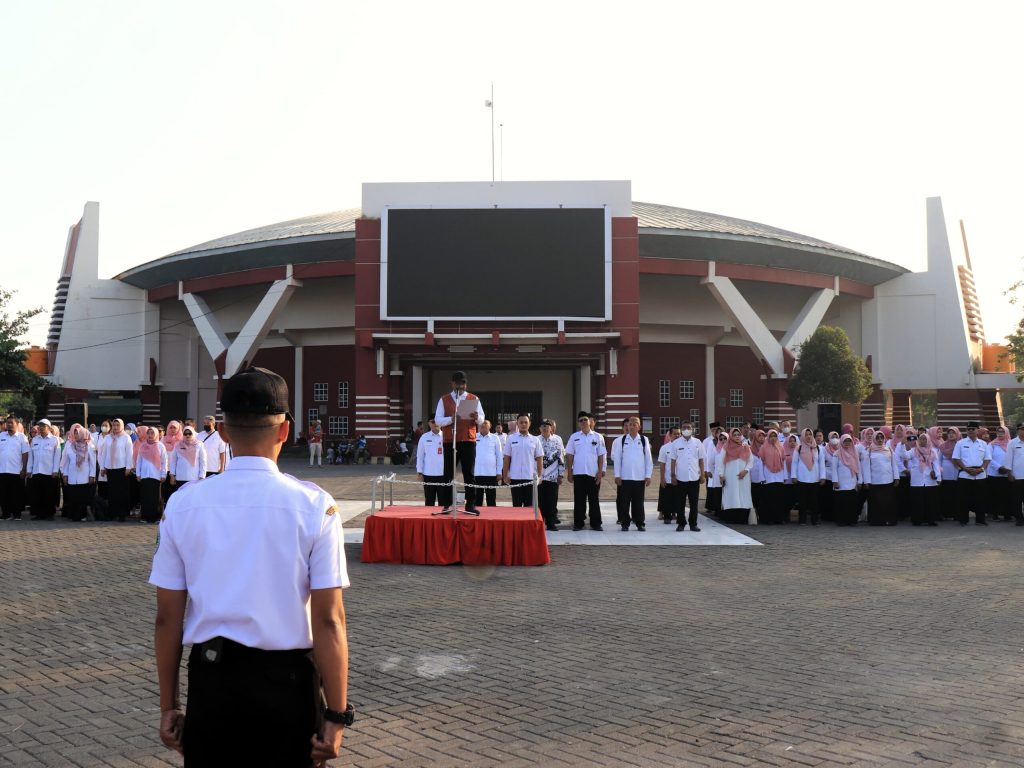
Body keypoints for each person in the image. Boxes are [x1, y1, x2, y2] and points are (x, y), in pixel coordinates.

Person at [149, 366, 351, 766]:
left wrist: (168, 706)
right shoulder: (315, 506)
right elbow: (329, 622)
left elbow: (167, 620)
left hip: (213, 682)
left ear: (222, 432)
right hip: (288, 685)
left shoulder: (184, 504)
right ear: (285, 431)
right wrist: (336, 715)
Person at [434, 371, 483, 514]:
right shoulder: (444, 399)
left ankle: (470, 504)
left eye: (463, 383)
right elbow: (438, 420)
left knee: (469, 473)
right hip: (450, 440)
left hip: (468, 439)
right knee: (448, 473)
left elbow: (482, 419)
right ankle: (446, 504)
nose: (461, 386)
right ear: (453, 383)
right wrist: (451, 419)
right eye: (458, 383)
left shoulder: (473, 398)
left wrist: (476, 417)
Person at [565, 411, 606, 531]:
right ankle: (578, 523)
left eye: (585, 420)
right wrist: (569, 472)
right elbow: (570, 455)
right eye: (581, 420)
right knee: (579, 500)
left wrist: (600, 472)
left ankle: (596, 523)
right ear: (578, 424)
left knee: (594, 500)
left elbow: (601, 455)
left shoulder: (598, 437)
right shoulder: (574, 437)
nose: (583, 422)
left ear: (590, 421)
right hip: (578, 473)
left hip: (593, 473)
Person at [610, 416, 653, 531]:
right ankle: (625, 523)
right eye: (630, 424)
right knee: (624, 502)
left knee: (638, 502)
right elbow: (618, 459)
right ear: (627, 426)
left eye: (635, 424)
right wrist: (617, 475)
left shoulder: (644, 440)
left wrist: (648, 475)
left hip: (640, 477)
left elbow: (648, 459)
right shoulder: (622, 440)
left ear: (639, 427)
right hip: (625, 477)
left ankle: (640, 523)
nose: (632, 426)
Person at [668, 421, 706, 532]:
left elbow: (701, 460)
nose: (686, 429)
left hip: (694, 477)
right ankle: (681, 523)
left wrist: (702, 474)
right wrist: (673, 476)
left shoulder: (698, 442)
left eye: (688, 427)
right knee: (680, 503)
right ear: (681, 429)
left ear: (692, 429)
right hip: (681, 477)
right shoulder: (676, 443)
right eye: (684, 427)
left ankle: (693, 524)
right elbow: (673, 460)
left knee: (694, 503)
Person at [952, 421, 992, 525]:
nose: (970, 431)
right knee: (963, 499)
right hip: (965, 474)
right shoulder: (960, 443)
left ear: (977, 430)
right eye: (968, 429)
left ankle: (980, 520)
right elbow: (956, 458)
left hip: (980, 474)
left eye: (973, 429)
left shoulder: (983, 444)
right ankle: (963, 520)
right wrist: (965, 469)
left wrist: (981, 469)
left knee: (981, 499)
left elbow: (987, 459)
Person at [503, 414, 543, 507]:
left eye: (526, 422)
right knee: (516, 506)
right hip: (515, 477)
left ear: (530, 424)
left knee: (529, 507)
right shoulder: (511, 438)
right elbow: (506, 458)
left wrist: (540, 476)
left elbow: (540, 459)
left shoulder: (535, 440)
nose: (523, 424)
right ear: (517, 423)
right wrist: (505, 475)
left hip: (529, 478)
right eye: (521, 422)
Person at [100, 418, 134, 521]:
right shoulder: (108, 438)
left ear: (122, 426)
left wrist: (129, 467)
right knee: (111, 492)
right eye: (114, 425)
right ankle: (112, 513)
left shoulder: (126, 437)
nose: (115, 427)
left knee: (122, 492)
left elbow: (129, 453)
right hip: (110, 468)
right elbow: (104, 453)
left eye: (117, 425)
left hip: (122, 468)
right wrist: (103, 467)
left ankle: (122, 514)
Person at [863, 430, 900, 525]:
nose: (880, 440)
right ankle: (877, 521)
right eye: (877, 438)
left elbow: (894, 464)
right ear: (874, 439)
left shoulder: (889, 449)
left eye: (881, 437)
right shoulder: (869, 450)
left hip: (888, 480)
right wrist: (867, 481)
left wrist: (896, 478)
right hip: (875, 481)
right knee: (876, 503)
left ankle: (889, 520)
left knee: (888, 502)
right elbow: (866, 467)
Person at [60, 424, 96, 522]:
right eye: (75, 433)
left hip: (84, 476)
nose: (75, 435)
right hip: (72, 476)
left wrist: (92, 475)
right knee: (73, 497)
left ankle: (82, 515)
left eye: (78, 433)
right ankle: (73, 515)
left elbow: (93, 462)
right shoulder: (70, 445)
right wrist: (65, 474)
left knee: (82, 498)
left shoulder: (89, 446)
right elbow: (65, 462)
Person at [791, 428, 827, 525]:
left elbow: (821, 463)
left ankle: (814, 520)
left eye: (810, 434)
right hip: (802, 478)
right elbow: (794, 463)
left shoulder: (817, 448)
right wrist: (793, 476)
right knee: (802, 501)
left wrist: (822, 477)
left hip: (814, 478)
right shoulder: (799, 448)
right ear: (803, 436)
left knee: (814, 501)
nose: (808, 436)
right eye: (806, 435)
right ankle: (802, 520)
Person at [905, 432, 942, 526]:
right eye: (921, 439)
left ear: (928, 440)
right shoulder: (913, 451)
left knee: (931, 501)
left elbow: (936, 464)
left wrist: (938, 477)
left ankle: (931, 520)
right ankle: (917, 520)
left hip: (930, 479)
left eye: (925, 439)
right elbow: (904, 456)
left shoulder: (933, 451)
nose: (923, 441)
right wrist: (902, 444)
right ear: (918, 440)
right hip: (917, 480)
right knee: (918, 501)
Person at [28, 419, 61, 520]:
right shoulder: (35, 440)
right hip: (37, 471)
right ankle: (39, 514)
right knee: (37, 494)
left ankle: (49, 514)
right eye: (39, 426)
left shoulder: (55, 440)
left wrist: (55, 470)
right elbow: (31, 456)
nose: (41, 428)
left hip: (49, 472)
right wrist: (29, 469)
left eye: (43, 426)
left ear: (49, 428)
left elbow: (57, 456)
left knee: (49, 494)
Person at [719, 428, 753, 523]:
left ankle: (742, 518)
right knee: (732, 494)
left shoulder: (745, 446)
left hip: (744, 476)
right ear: (731, 436)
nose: (737, 436)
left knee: (743, 495)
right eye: (735, 435)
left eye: (738, 434)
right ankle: (731, 518)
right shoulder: (726, 447)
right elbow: (721, 462)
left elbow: (751, 461)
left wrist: (745, 471)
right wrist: (721, 475)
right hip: (730, 475)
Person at [538, 419, 565, 531]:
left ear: (551, 428)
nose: (545, 428)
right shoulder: (535, 440)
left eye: (547, 426)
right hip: (539, 477)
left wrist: (561, 474)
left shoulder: (557, 440)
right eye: (543, 426)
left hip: (553, 476)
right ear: (540, 429)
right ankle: (540, 523)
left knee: (552, 501)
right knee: (540, 501)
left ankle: (551, 523)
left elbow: (561, 457)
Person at [136, 427, 168, 524]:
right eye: (148, 433)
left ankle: (156, 517)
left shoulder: (160, 446)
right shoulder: (142, 446)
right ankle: (145, 516)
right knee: (145, 496)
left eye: (152, 433)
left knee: (155, 497)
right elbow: (139, 461)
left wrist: (163, 474)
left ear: (156, 435)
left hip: (156, 475)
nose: (150, 435)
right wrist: (138, 474)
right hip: (145, 475)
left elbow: (164, 461)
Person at [0, 415, 29, 520]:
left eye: (11, 422)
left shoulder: (22, 437)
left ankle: (17, 514)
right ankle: (6, 514)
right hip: (2, 470)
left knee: (16, 494)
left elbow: (25, 454)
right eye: (7, 422)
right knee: (3, 494)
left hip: (16, 471)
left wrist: (24, 469)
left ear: (17, 424)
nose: (9, 424)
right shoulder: (1, 436)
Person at [831, 433, 863, 526]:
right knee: (841, 502)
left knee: (852, 503)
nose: (847, 443)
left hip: (852, 482)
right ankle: (841, 521)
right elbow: (834, 469)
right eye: (845, 441)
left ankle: (852, 520)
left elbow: (858, 468)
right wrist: (835, 481)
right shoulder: (836, 453)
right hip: (841, 483)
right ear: (841, 441)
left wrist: (860, 481)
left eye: (849, 441)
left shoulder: (854, 453)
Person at [416, 419, 448, 509]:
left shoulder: (447, 436)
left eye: (438, 421)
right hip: (428, 474)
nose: (435, 424)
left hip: (443, 474)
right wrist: (419, 472)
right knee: (429, 501)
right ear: (429, 423)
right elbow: (420, 456)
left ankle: (443, 521)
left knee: (444, 502)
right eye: (433, 422)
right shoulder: (424, 437)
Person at [472, 420, 503, 508]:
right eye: (481, 423)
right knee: (477, 500)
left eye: (485, 423)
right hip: (477, 473)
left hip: (491, 473)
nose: (483, 424)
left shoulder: (495, 438)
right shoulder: (473, 436)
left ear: (490, 426)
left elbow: (499, 456)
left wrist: (499, 472)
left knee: (491, 500)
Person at [986, 425, 1012, 521]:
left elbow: (1013, 457)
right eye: (998, 432)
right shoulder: (992, 444)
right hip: (995, 474)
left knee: (1008, 495)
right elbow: (989, 458)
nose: (1000, 434)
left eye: (1002, 432)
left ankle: (1007, 515)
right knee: (995, 495)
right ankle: (995, 514)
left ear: (1006, 432)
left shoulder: (1011, 444)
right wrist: (999, 467)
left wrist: (1008, 468)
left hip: (1008, 473)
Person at [656, 426, 681, 523]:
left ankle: (677, 515)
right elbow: (662, 464)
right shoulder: (665, 448)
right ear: (670, 435)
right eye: (675, 434)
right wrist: (662, 478)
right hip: (667, 478)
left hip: (680, 478)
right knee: (666, 498)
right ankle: (667, 517)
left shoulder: (683, 446)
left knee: (678, 498)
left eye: (679, 434)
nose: (677, 436)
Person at [1005, 422, 1024, 526]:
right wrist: (1009, 473)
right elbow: (1008, 459)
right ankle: (1019, 518)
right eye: (1022, 429)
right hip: (1017, 476)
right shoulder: (1012, 443)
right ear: (1018, 430)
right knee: (1017, 499)